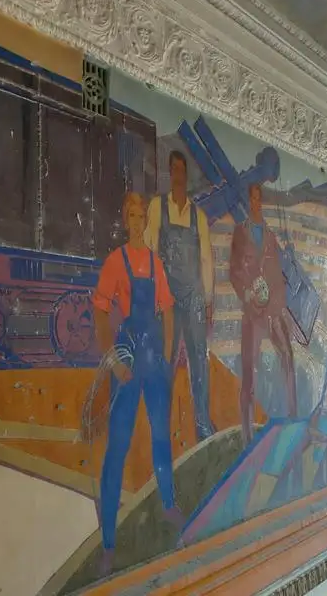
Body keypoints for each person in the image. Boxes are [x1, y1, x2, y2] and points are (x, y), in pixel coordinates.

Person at [92, 192, 182, 574]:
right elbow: (99, 312)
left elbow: (169, 310)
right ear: (124, 219)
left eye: (140, 216)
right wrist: (114, 363)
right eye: (130, 215)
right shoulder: (116, 261)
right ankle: (109, 543)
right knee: (118, 446)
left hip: (154, 363)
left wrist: (168, 357)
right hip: (128, 364)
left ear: (146, 221)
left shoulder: (156, 264)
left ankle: (170, 505)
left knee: (161, 437)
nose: (135, 222)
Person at [145, 150, 216, 441]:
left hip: (195, 295)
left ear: (186, 175)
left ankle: (202, 423)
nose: (178, 175)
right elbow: (150, 251)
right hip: (168, 296)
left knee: (199, 357)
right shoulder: (156, 207)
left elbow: (206, 259)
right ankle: (160, 421)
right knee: (168, 357)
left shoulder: (199, 216)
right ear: (169, 173)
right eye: (174, 169)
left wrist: (208, 299)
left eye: (182, 170)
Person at [229, 182, 297, 445]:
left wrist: (278, 310)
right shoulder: (240, 233)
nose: (256, 203)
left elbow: (277, 276)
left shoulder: (269, 235)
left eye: (259, 199)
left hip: (273, 312)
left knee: (288, 357)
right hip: (252, 314)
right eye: (252, 199)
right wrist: (248, 294)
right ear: (249, 202)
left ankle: (293, 418)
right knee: (249, 372)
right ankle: (247, 436)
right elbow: (234, 272)